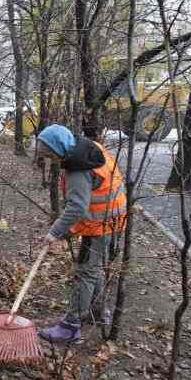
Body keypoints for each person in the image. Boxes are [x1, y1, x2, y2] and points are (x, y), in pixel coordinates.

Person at [36, 124, 127, 343]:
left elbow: (77, 207)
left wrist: (55, 232)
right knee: (92, 268)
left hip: (100, 224)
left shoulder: (78, 170)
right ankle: (97, 312)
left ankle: (70, 327)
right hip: (112, 218)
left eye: (50, 154)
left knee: (85, 272)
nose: (51, 160)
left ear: (59, 148)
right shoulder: (89, 147)